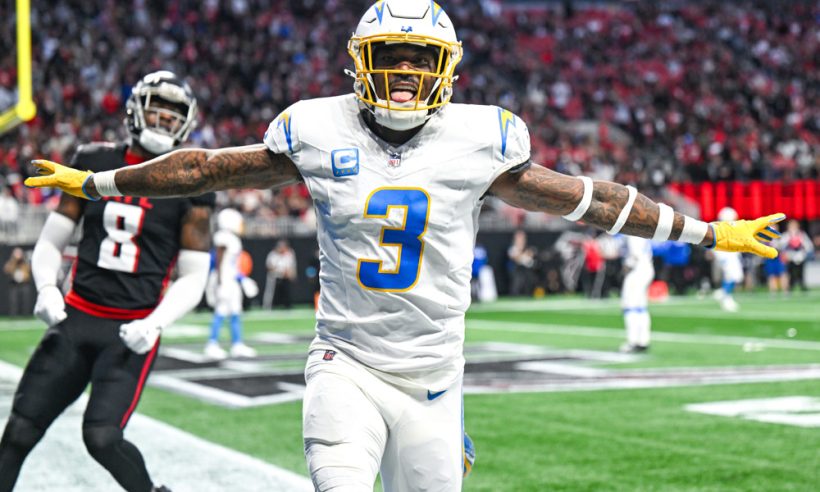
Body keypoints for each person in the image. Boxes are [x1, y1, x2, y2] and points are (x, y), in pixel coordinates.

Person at [25, 1, 785, 490]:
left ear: (446, 69)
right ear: (362, 61)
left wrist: (709, 230)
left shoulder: (480, 138)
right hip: (344, 363)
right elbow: (200, 167)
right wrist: (96, 187)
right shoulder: (317, 129)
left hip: (435, 377)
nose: (404, 70)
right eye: (390, 54)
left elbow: (593, 200)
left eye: (421, 58)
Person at [0, 70, 213, 492]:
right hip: (77, 316)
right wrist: (46, 286)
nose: (165, 122)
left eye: (174, 117)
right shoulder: (93, 160)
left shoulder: (191, 179)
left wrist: (155, 323)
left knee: (102, 437)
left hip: (130, 329)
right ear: (135, 111)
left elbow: (194, 275)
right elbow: (52, 239)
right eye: (158, 112)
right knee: (18, 432)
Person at [204, 208, 257, 359]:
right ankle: (212, 344)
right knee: (220, 311)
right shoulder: (223, 237)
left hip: (231, 278)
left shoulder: (232, 238)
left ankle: (237, 344)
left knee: (235, 311)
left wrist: (242, 279)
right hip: (224, 280)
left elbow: (231, 265)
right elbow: (219, 260)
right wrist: (220, 282)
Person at [619, 236, 654, 353]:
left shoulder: (632, 232)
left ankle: (633, 341)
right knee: (641, 306)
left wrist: (627, 266)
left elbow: (635, 255)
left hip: (637, 270)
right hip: (646, 267)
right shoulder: (642, 230)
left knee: (630, 306)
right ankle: (643, 340)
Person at [712, 207, 745, 312]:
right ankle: (726, 297)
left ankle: (722, 293)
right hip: (726, 256)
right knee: (731, 276)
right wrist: (721, 258)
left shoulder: (731, 229)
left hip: (733, 256)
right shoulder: (718, 229)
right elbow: (715, 246)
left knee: (737, 276)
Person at [263, 239, 297, 309]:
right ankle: (268, 306)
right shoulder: (273, 254)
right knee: (270, 292)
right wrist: (280, 271)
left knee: (286, 291)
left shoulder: (289, 254)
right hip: (274, 276)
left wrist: (291, 274)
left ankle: (287, 305)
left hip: (285, 277)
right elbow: (269, 267)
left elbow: (292, 266)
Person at [782, 219, 814, 292]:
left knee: (801, 272)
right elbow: (782, 245)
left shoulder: (801, 234)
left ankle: (802, 285)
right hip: (790, 256)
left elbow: (808, 245)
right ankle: (791, 286)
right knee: (791, 272)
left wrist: (804, 253)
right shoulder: (786, 235)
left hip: (800, 256)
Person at [2, 247, 32, 316]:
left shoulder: (25, 263)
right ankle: (13, 316)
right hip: (14, 285)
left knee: (25, 301)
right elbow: (6, 270)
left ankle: (26, 315)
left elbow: (29, 270)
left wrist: (23, 260)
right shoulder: (12, 263)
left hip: (24, 284)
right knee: (13, 302)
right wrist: (13, 260)